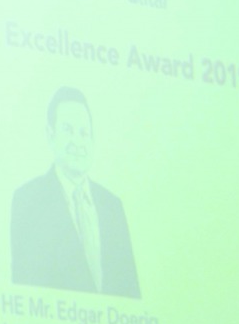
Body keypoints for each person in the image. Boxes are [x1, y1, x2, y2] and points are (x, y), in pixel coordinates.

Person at [10, 86, 141, 298]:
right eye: (68, 130)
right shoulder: (28, 200)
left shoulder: (113, 207)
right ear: (50, 135)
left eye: (84, 132)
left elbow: (130, 291)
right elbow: (27, 290)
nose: (78, 142)